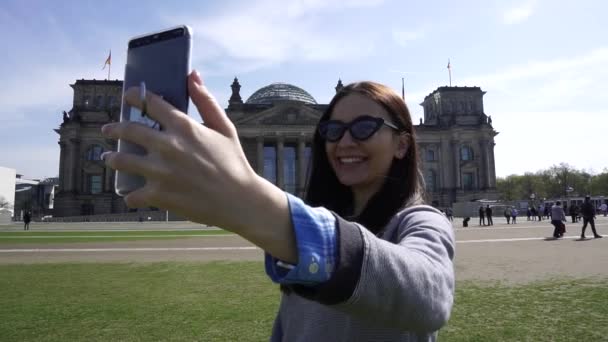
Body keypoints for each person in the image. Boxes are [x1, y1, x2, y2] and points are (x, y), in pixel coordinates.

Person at [100, 73, 455, 340]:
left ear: (402, 145)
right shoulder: (308, 248)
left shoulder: (419, 222)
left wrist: (250, 198)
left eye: (364, 127)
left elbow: (429, 296)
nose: (345, 140)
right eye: (332, 130)